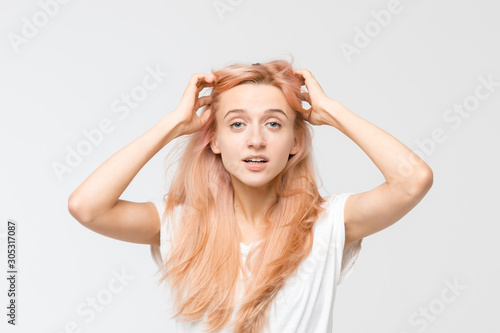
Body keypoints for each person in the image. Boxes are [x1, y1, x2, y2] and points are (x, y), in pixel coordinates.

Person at [68, 59, 433, 333]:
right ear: (214, 140)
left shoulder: (328, 224)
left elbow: (412, 180)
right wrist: (174, 125)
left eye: (273, 123)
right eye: (237, 124)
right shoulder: (181, 225)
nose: (255, 140)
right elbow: (86, 207)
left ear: (295, 141)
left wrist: (331, 112)